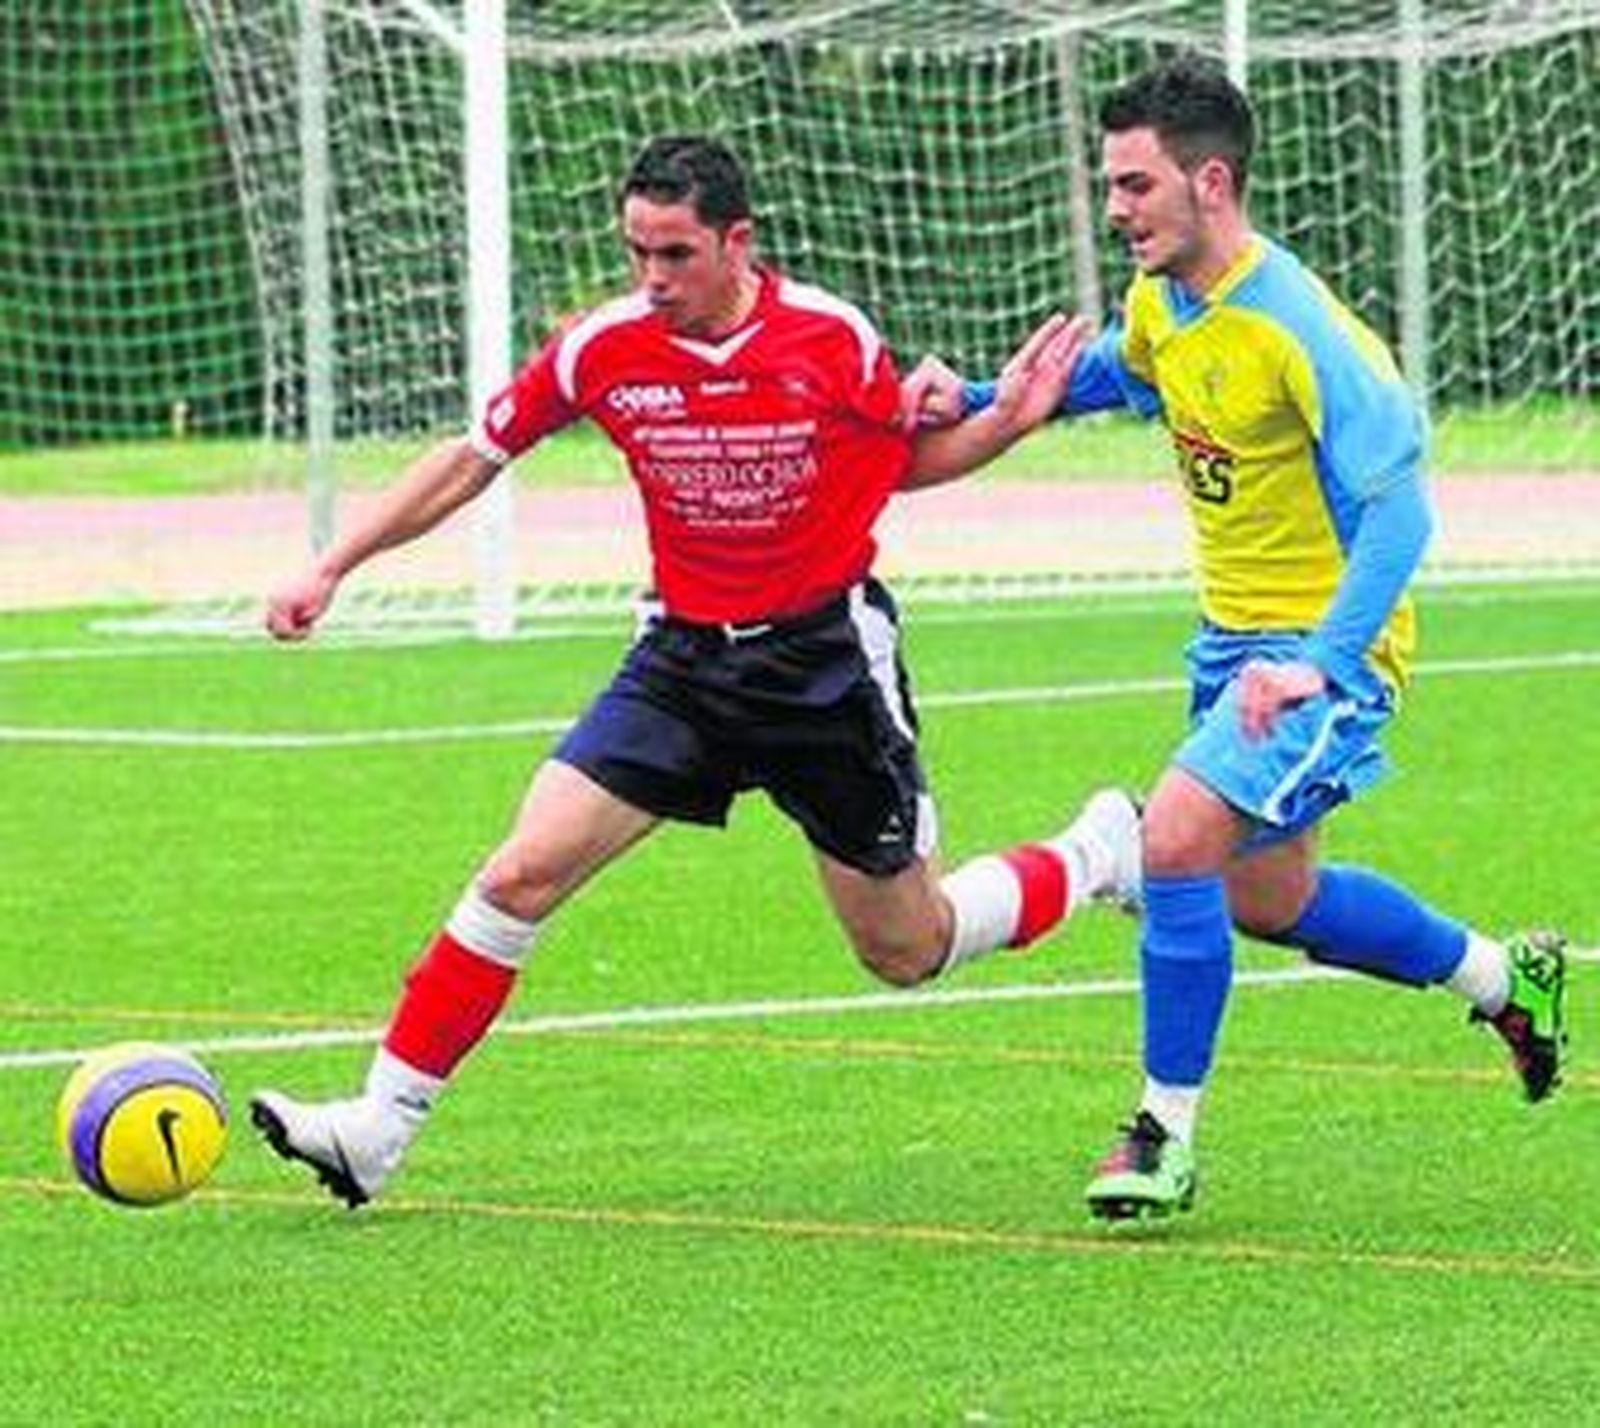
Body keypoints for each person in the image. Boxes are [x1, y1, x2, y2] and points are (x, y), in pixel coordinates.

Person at [250, 135, 1140, 1208]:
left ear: (736, 243)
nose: (653, 279)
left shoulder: (831, 339)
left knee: (907, 947)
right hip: (679, 666)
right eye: (637, 252)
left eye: (674, 254)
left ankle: (1097, 851)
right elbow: (473, 457)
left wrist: (1006, 422)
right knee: (519, 874)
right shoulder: (604, 348)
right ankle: (376, 1128)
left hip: (822, 668)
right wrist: (333, 565)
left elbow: (902, 463)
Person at [907, 55, 1568, 1221]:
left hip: (1325, 657)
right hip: (1230, 648)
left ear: (1209, 182)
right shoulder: (1165, 303)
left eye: (1135, 186)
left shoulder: (1300, 328)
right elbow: (1120, 372)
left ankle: (1161, 1136)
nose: (1116, 209)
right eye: (1111, 185)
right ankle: (1502, 977)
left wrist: (1317, 662)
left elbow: (1401, 515)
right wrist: (966, 397)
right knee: (1268, 898)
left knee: (1171, 839)